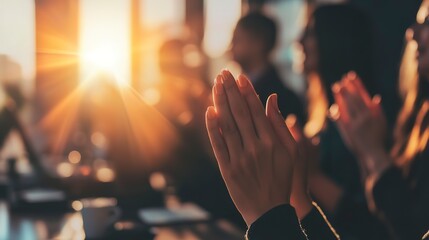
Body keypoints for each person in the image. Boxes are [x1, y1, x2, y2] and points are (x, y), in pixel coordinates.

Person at [330, 1, 429, 239]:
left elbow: (413, 228)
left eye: (427, 23)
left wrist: (373, 151)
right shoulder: (419, 114)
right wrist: (364, 150)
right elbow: (380, 221)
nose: (411, 32)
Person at [299, 4, 389, 239]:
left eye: (310, 32)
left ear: (335, 41)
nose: (300, 41)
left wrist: (310, 175)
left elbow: (370, 223)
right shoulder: (324, 111)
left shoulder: (360, 115)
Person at [231, 12, 306, 124]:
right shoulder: (284, 94)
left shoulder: (282, 100)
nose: (231, 45)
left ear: (258, 44)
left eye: (237, 39)